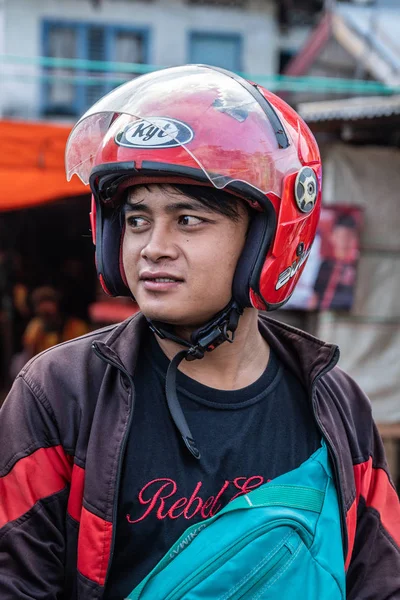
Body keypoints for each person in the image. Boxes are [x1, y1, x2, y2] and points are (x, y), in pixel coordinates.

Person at [0, 65, 398, 600]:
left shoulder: (334, 404)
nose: (153, 247)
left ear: (269, 238)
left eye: (188, 219)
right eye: (138, 220)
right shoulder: (63, 392)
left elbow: (380, 580)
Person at [313, 212, 359, 310]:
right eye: (341, 237)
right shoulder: (320, 264)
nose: (344, 242)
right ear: (332, 237)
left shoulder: (356, 268)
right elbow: (313, 299)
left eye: (349, 237)